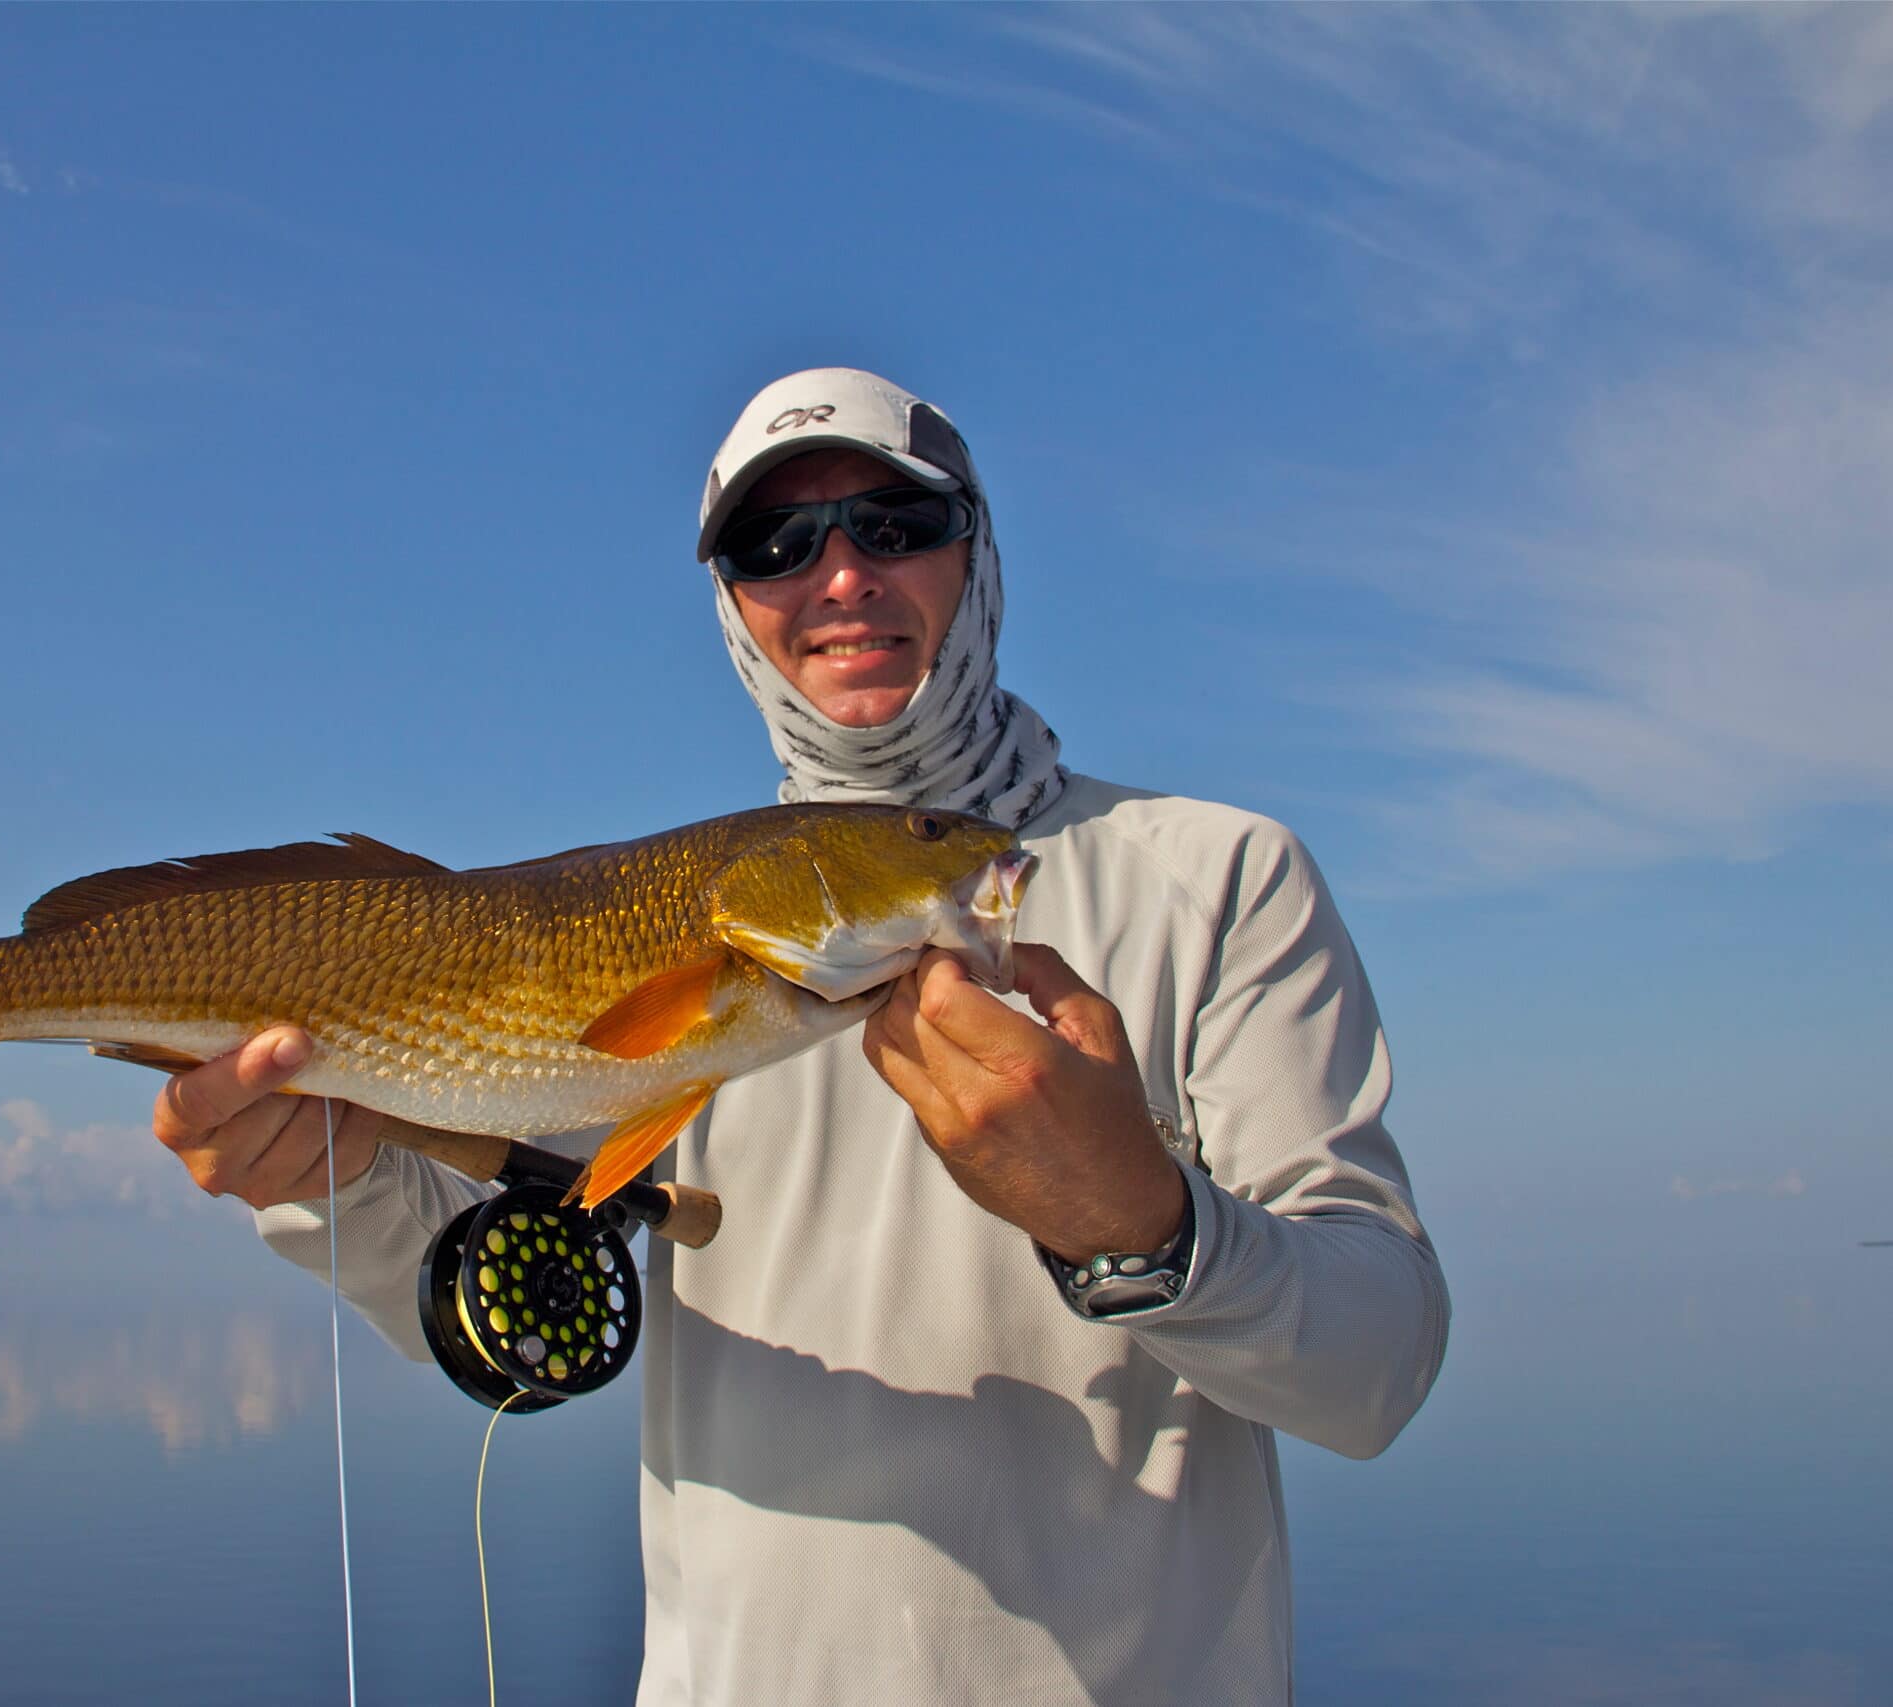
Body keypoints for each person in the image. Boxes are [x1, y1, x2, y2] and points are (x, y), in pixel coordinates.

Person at [152, 369, 1450, 1706]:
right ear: (731, 609)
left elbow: (1377, 1368)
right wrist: (327, 1184)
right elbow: (489, 1284)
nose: (841, 578)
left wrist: (1145, 1223)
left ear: (979, 553)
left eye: (897, 522)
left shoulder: (1219, 876)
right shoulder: (677, 913)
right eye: (774, 546)